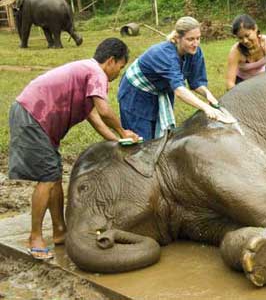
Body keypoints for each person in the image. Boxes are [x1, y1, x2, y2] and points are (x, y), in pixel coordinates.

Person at [8, 38, 139, 260]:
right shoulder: (95, 72)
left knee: (54, 174)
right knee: (47, 177)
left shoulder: (85, 75)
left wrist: (117, 141)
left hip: (37, 120)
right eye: (120, 66)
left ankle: (60, 231)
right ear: (111, 61)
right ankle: (35, 237)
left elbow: (96, 120)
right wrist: (123, 131)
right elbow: (105, 111)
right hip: (32, 116)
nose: (119, 72)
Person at [118, 16, 227, 140]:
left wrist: (208, 95)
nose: (195, 43)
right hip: (136, 94)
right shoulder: (165, 54)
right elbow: (179, 90)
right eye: (190, 39)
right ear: (178, 38)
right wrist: (205, 107)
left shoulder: (194, 52)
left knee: (162, 137)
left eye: (198, 38)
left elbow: (196, 82)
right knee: (141, 140)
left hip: (160, 88)